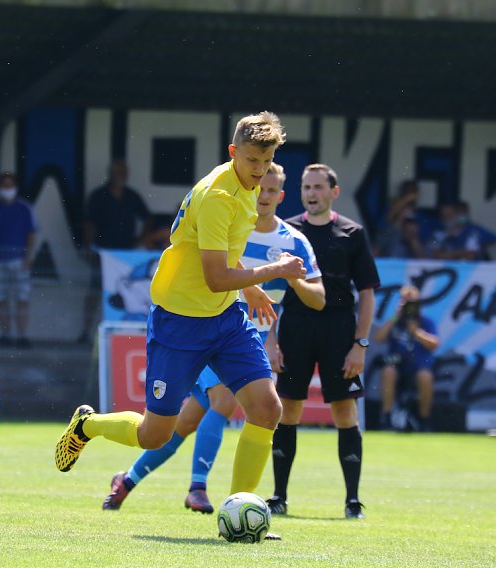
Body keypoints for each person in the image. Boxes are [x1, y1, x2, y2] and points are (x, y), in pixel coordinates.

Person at [55, 112, 307, 529]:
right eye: (252, 162)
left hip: (225, 317)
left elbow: (224, 258)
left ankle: (239, 513)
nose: (259, 173)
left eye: (266, 163)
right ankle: (89, 424)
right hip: (180, 322)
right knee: (156, 435)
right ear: (233, 153)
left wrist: (250, 287)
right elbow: (214, 277)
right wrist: (271, 271)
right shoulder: (217, 197)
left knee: (266, 409)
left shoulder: (246, 187)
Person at [101, 162, 325, 513]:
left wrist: (281, 311)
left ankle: (128, 480)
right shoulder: (231, 215)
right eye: (259, 186)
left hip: (243, 338)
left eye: (270, 190)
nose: (263, 195)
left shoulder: (293, 240)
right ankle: (201, 490)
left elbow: (318, 298)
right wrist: (263, 278)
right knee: (221, 402)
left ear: (280, 195)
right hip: (205, 325)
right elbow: (218, 275)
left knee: (185, 423)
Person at [267, 163, 380, 520]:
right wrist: (271, 340)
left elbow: (367, 293)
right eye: (306, 187)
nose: (311, 193)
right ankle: (279, 496)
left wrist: (360, 345)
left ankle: (352, 501)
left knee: (345, 412)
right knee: (288, 409)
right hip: (296, 325)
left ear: (334, 191)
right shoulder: (287, 232)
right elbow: (270, 290)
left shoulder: (352, 232)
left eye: (318, 186)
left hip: (338, 328)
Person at [79, 159, 152, 343]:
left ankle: (126, 331)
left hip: (126, 253)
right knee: (95, 291)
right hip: (103, 254)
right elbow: (89, 223)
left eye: (124, 173)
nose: (121, 176)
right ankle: (86, 332)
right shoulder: (98, 196)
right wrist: (88, 246)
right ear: (110, 174)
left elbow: (148, 218)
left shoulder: (131, 196)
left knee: (133, 292)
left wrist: (140, 240)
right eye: (118, 172)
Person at [372, 284, 440, 432]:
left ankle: (424, 420)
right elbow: (378, 337)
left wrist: (416, 332)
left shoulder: (426, 322)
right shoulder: (395, 321)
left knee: (425, 377)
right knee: (388, 371)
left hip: (419, 366)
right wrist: (396, 315)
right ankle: (387, 416)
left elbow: (435, 344)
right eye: (405, 301)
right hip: (397, 364)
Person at [0, 172, 37, 348]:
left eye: (10, 185)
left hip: (20, 261)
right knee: (0, 299)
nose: (8, 189)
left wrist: (28, 257)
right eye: (4, 186)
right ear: (0, 188)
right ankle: (5, 335)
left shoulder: (24, 208)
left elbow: (31, 234)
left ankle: (21, 336)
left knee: (22, 298)